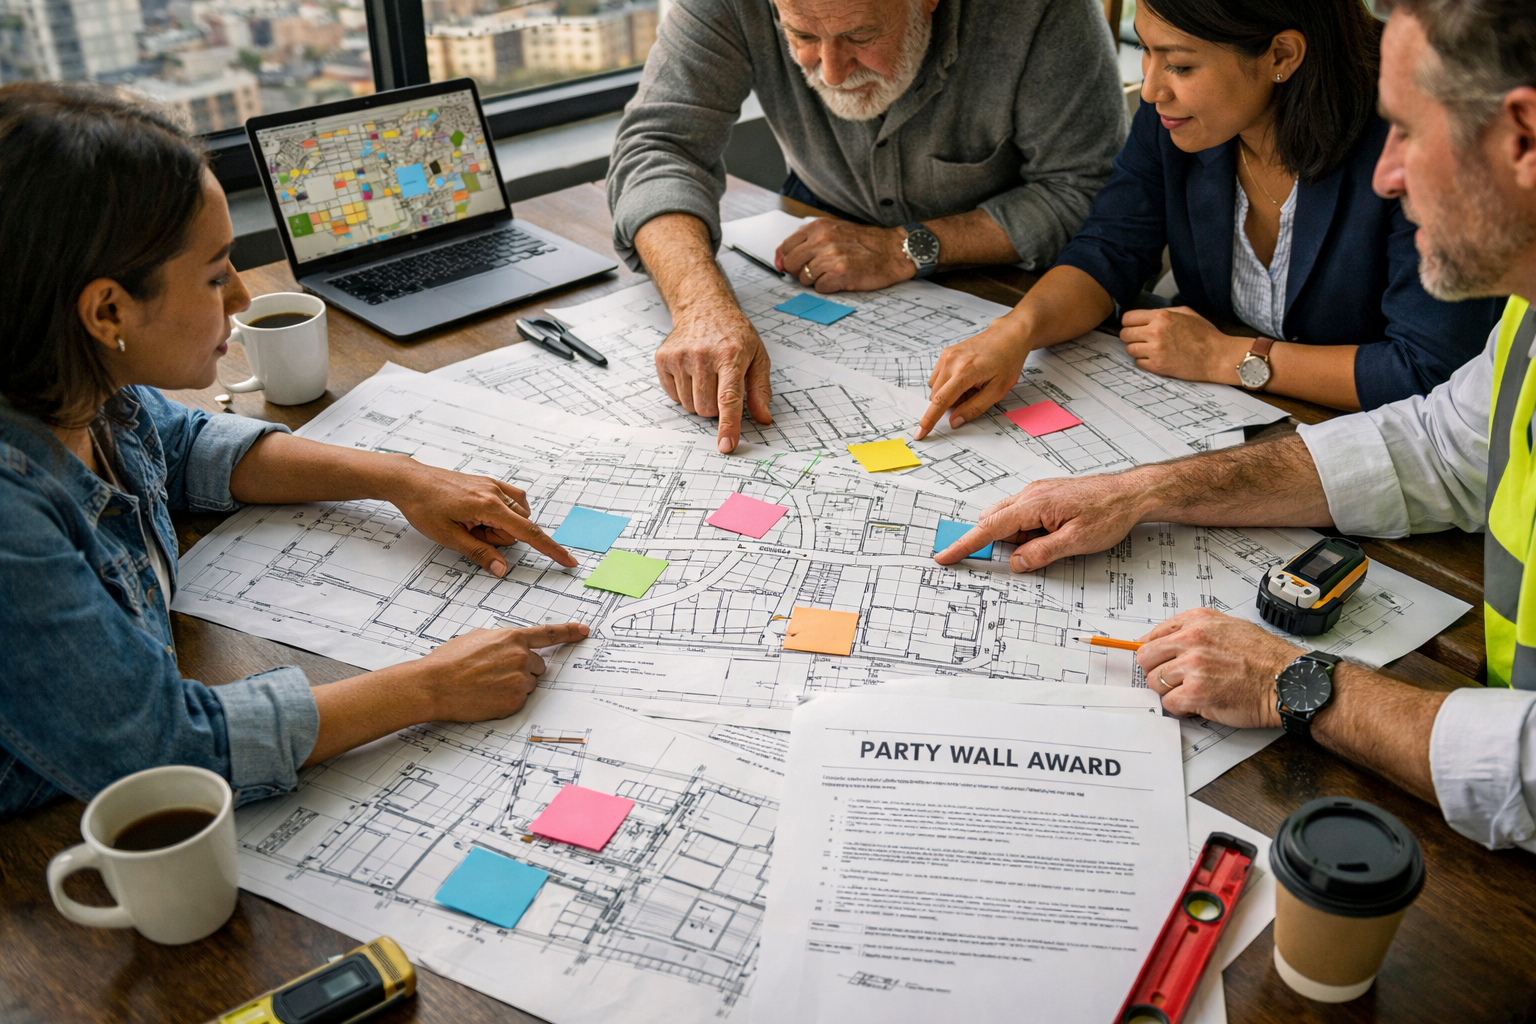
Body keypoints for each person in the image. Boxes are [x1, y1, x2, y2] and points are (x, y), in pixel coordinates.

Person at [933, 0, 1536, 852]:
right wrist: (1142, 492)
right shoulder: (1526, 323)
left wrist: (1299, 684)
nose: (1388, 174)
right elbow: (1436, 444)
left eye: (1407, 130)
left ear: (1522, 137)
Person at [0, 83, 590, 820]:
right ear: (108, 311)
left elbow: (182, 446)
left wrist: (402, 479)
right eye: (217, 275)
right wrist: (428, 686)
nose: (244, 296)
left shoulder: (82, 387)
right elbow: (162, 752)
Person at [919, 0, 1504, 432]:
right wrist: (1014, 334)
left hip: (1393, 444)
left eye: (1179, 65)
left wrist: (1229, 358)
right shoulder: (1179, 118)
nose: (1150, 91)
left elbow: (1429, 369)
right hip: (1236, 423)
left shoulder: (1409, 143)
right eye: (1145, 51)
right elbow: (1110, 250)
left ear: (1281, 54)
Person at [606, 0, 1129, 453]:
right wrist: (701, 307)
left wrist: (908, 247)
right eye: (802, 35)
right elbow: (660, 146)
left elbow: (1086, 192)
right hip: (823, 231)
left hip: (1007, 276)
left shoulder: (1043, 13)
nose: (830, 72)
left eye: (860, 36)